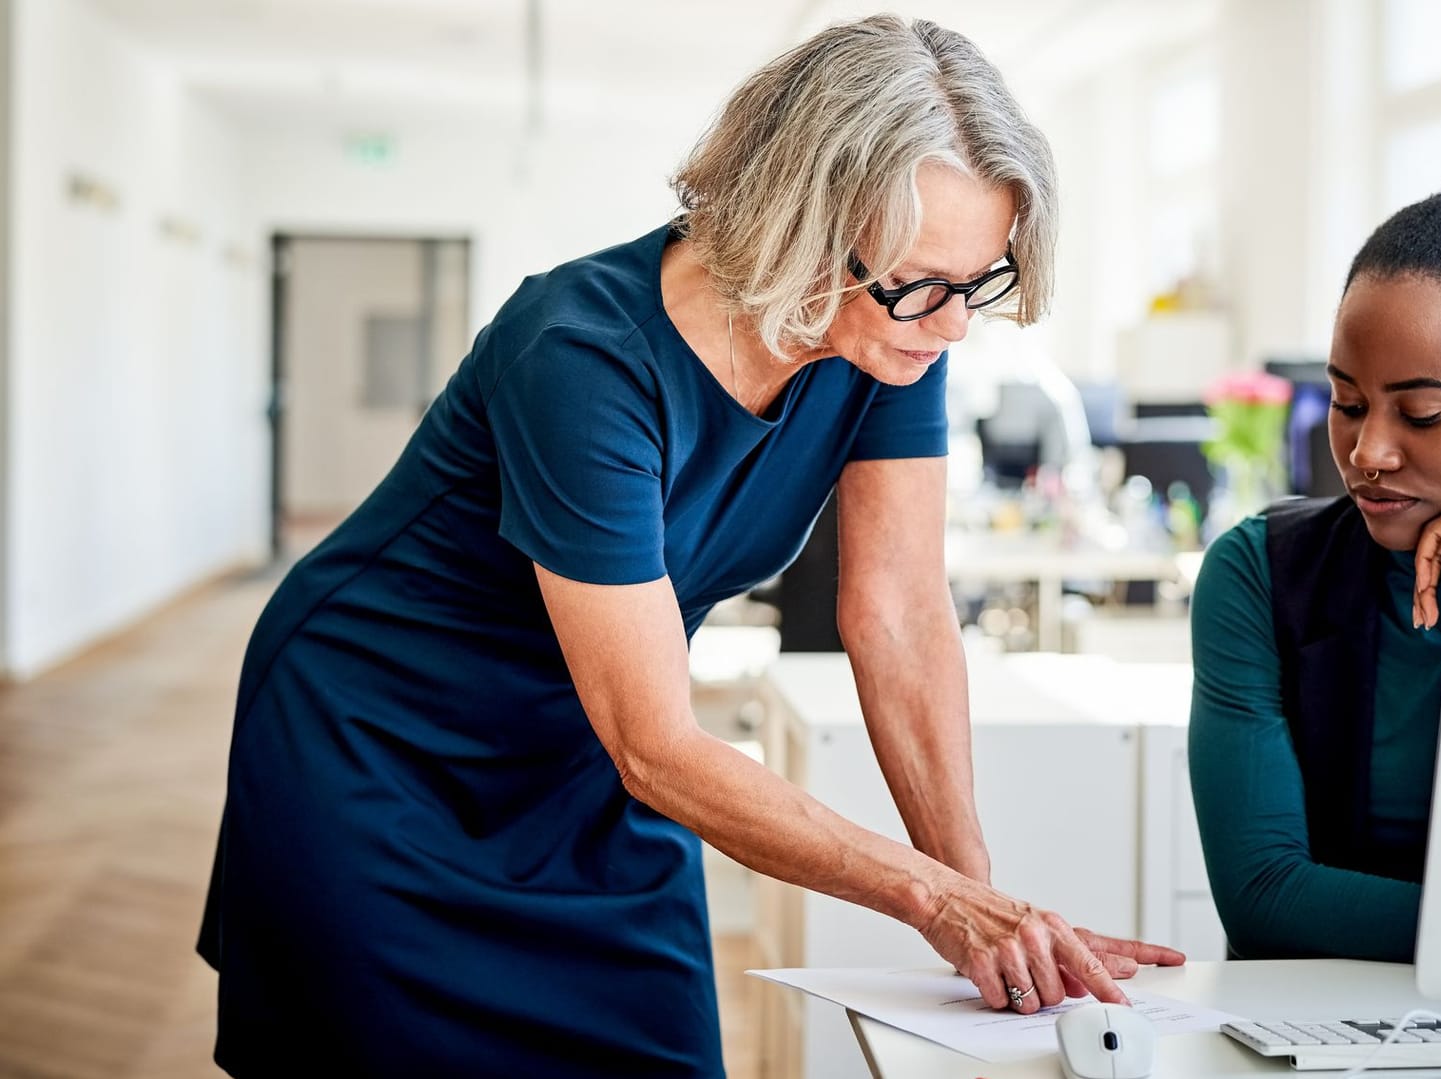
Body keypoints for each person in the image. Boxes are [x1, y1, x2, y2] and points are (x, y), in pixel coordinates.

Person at [197, 15, 1181, 1076]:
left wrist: (986, 903)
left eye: (977, 284)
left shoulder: (890, 335)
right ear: (802, 219)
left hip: (588, 757)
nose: (951, 326)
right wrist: (936, 901)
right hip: (383, 745)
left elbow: (894, 610)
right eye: (923, 283)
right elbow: (657, 742)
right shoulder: (581, 353)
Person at [1187, 144, 1441, 961]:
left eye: (1423, 415)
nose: (1368, 451)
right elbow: (1263, 891)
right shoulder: (1259, 574)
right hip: (1319, 1033)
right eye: (1347, 401)